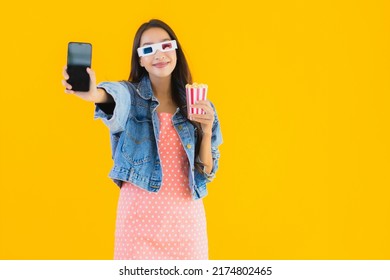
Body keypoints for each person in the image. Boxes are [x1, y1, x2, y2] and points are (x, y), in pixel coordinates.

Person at [61, 19, 222, 260]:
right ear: (141, 60)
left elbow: (206, 171)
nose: (159, 54)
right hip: (138, 225)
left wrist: (206, 130)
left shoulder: (198, 104)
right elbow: (114, 97)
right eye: (148, 49)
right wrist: (94, 94)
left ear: (175, 50)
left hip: (187, 226)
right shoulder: (130, 97)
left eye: (165, 46)